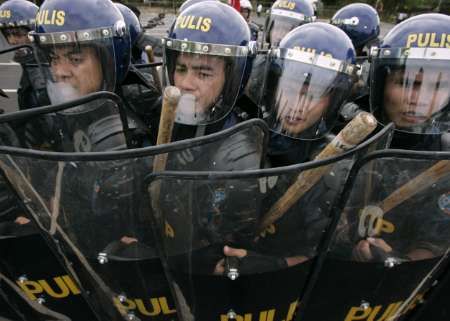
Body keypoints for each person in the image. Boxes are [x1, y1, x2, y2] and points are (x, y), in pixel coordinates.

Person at [217, 22, 360, 273]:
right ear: (274, 86)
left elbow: (334, 252)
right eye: (291, 88)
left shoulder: (335, 164)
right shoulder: (243, 138)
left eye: (315, 94)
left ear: (334, 99)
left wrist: (277, 265)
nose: (297, 105)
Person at [337, 13, 450, 262]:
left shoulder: (445, 159)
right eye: (406, 82)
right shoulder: (346, 136)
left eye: (438, 86)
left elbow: (435, 244)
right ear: (380, 81)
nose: (419, 99)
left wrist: (398, 262)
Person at [164, 1, 257, 142]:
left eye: (203, 74)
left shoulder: (236, 144)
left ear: (230, 81)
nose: (186, 84)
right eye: (181, 69)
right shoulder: (156, 114)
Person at [0, 0, 50, 110]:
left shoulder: (49, 67)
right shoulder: (24, 65)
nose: (11, 40)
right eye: (7, 34)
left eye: (17, 34)